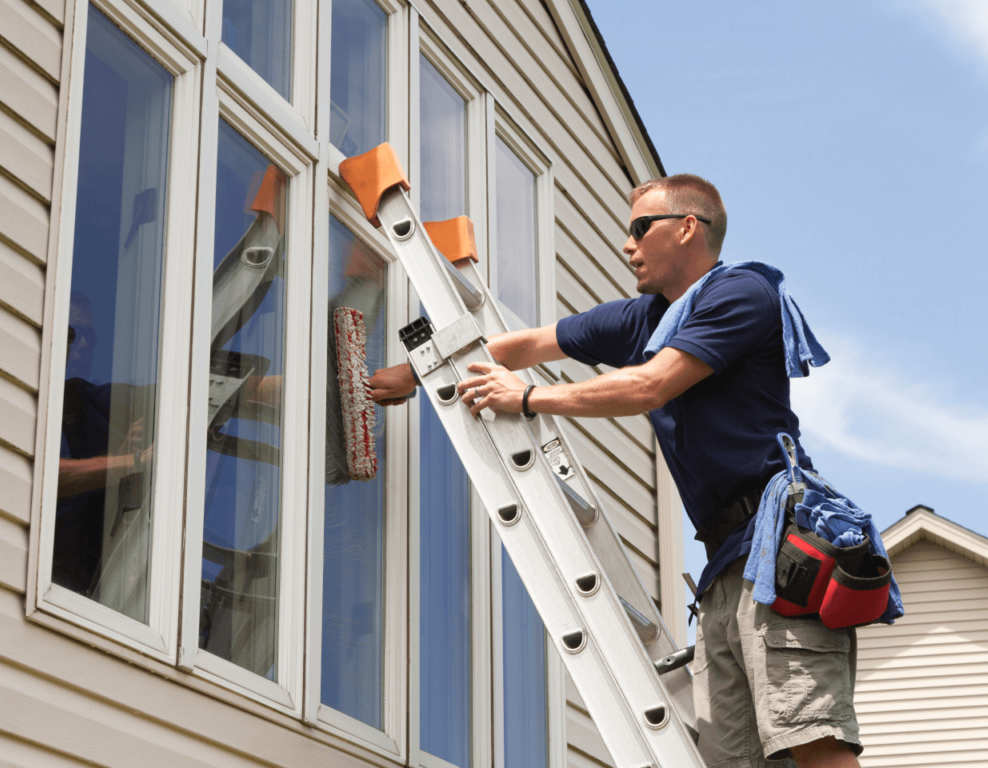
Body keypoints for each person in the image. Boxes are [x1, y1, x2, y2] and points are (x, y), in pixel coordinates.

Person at [369, 175, 862, 768]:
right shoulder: (648, 319)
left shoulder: (742, 294)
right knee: (732, 760)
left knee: (809, 737)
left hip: (776, 550)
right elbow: (528, 345)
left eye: (638, 228)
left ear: (688, 228)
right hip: (725, 564)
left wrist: (526, 401)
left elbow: (652, 385)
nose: (627, 246)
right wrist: (414, 372)